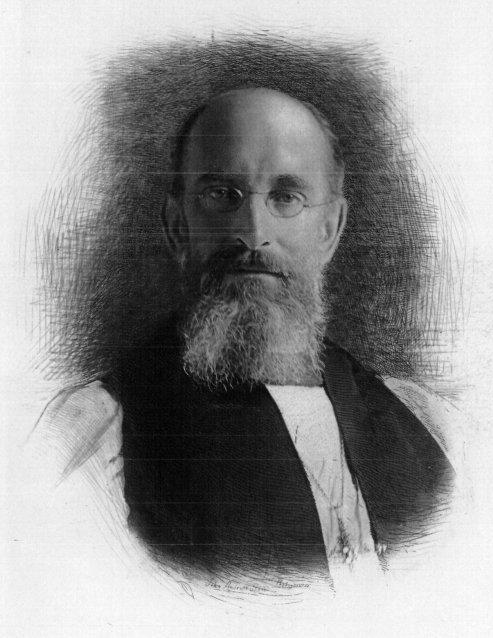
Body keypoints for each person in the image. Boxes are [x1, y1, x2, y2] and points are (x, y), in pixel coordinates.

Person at [31, 87, 455, 582]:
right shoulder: (92, 437)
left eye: (287, 197)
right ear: (177, 226)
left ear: (330, 230)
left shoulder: (428, 426)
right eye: (221, 195)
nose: (253, 233)